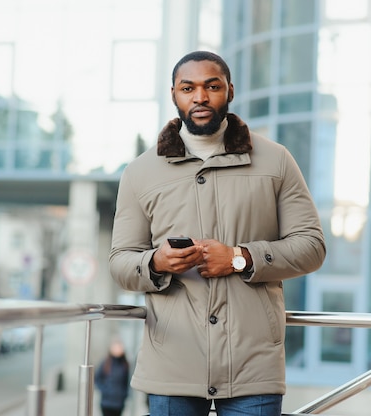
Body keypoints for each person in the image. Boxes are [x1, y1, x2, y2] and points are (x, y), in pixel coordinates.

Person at [109, 50, 326, 416]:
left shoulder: (276, 160)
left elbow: (312, 246)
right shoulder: (140, 172)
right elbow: (120, 262)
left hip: (253, 364)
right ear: (174, 94)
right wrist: (156, 262)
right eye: (187, 88)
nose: (200, 97)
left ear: (230, 91)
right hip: (171, 363)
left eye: (212, 86)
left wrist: (241, 257)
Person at [94, 339, 130, 416]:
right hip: (106, 402)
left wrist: (124, 394)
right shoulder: (105, 363)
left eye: (119, 347)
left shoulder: (125, 364)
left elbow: (126, 382)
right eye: (115, 347)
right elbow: (97, 378)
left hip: (119, 403)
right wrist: (105, 390)